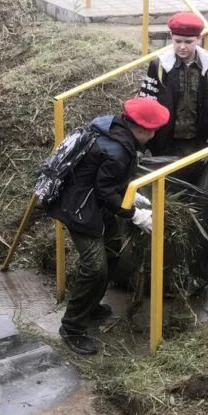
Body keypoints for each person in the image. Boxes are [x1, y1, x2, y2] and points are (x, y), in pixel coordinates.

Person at [48, 97, 170, 355]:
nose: (155, 134)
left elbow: (106, 179)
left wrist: (130, 192)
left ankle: (89, 306)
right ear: (143, 129)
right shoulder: (118, 150)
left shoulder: (114, 129)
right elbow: (105, 192)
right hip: (80, 208)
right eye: (154, 130)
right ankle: (71, 327)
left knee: (113, 252)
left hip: (94, 203)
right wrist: (135, 214)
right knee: (95, 267)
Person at [139, 11, 208, 160]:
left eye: (188, 42)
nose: (182, 47)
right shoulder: (158, 66)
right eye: (177, 41)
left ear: (199, 39)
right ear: (171, 37)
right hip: (166, 141)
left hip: (201, 141)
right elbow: (148, 101)